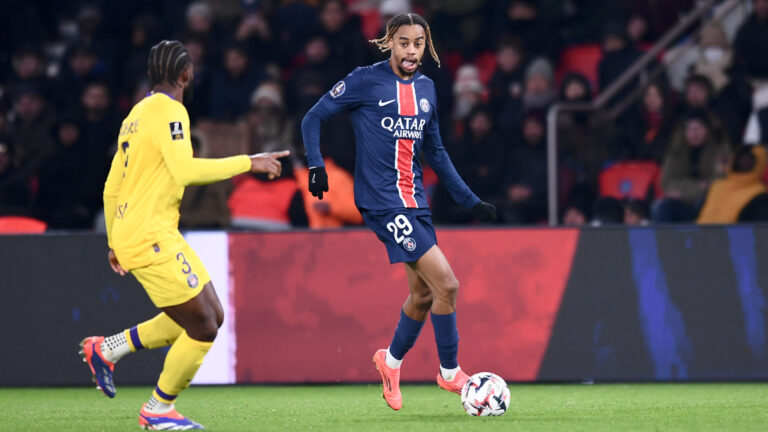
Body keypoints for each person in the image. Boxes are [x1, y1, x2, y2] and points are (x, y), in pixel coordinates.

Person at [78, 40, 290, 430]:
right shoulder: (172, 111)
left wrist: (113, 240)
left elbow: (111, 187)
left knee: (210, 315)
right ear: (185, 74)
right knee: (203, 325)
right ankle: (158, 409)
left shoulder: (136, 114)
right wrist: (250, 161)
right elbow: (185, 172)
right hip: (148, 235)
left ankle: (106, 349)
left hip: (148, 231)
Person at [300, 13, 497, 411]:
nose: (411, 51)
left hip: (414, 203)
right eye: (403, 42)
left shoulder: (426, 88)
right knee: (449, 285)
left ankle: (389, 363)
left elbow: (436, 151)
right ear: (389, 42)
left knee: (423, 294)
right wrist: (316, 165)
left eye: (418, 44)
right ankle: (449, 372)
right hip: (381, 202)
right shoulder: (364, 80)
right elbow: (313, 117)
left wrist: (468, 199)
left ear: (426, 47)